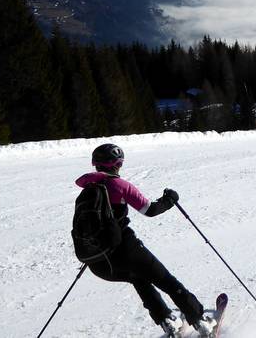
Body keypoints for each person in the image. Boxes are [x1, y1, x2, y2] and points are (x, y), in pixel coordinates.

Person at [76, 143, 216, 337]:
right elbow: (150, 210)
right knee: (166, 281)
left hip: (98, 262)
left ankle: (167, 321)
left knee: (138, 278)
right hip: (126, 250)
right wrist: (169, 200)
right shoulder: (119, 185)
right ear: (117, 164)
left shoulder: (87, 190)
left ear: (95, 164)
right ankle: (200, 321)